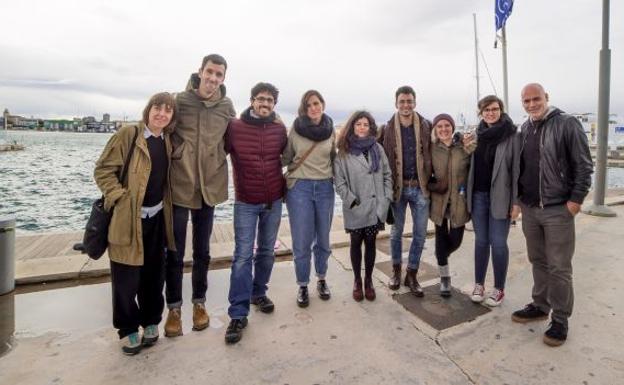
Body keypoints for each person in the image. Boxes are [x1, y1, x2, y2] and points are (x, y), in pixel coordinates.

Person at [94, 92, 177, 355]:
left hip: (157, 220)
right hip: (128, 220)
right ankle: (128, 329)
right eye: (157, 108)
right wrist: (120, 198)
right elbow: (103, 170)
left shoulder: (167, 141)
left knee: (154, 277)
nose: (161, 114)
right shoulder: (129, 135)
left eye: (168, 110)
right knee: (125, 280)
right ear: (148, 109)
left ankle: (151, 321)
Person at [511, 83, 593, 347]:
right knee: (538, 260)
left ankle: (560, 319)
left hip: (558, 208)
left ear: (546, 98)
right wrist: (519, 202)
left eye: (536, 99)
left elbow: (584, 165)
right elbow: (520, 169)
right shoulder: (524, 129)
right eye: (527, 101)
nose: (532, 104)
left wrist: (575, 201)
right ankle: (540, 304)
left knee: (559, 267)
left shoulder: (567, 124)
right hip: (530, 209)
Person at [165, 54, 236, 337]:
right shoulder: (179, 101)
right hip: (181, 183)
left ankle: (199, 303)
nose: (213, 78)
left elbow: (235, 139)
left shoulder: (226, 106)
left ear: (223, 78)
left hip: (210, 184)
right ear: (200, 71)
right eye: (210, 72)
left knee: (203, 251)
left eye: (219, 74)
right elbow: (162, 131)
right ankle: (173, 308)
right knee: (175, 250)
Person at [224, 82, 287, 344]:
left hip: (274, 200)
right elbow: (215, 152)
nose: (265, 104)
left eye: (270, 100)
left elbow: (289, 156)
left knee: (266, 252)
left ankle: (258, 292)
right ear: (251, 101)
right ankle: (238, 314)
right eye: (261, 99)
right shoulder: (235, 127)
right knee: (241, 257)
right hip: (246, 202)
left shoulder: (279, 129)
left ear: (274, 104)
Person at [283, 90, 336, 308]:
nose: (313, 108)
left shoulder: (331, 130)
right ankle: (303, 284)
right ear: (304, 109)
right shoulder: (296, 129)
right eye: (308, 105)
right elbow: (285, 158)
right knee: (302, 240)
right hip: (300, 188)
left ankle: (321, 279)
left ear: (322, 104)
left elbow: (335, 159)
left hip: (325, 187)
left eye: (316, 103)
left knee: (323, 238)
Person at [334, 111, 393, 302]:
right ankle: (357, 281)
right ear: (352, 126)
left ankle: (368, 280)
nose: (362, 127)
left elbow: (386, 174)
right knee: (355, 243)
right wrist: (350, 199)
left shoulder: (377, 148)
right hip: (356, 207)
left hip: (376, 206)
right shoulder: (343, 151)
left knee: (370, 244)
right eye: (358, 124)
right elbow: (339, 181)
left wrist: (386, 197)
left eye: (365, 124)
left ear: (371, 127)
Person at [379, 86, 432, 296]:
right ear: (396, 104)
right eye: (402, 101)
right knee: (396, 233)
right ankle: (396, 271)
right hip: (398, 188)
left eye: (409, 101)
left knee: (420, 234)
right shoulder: (387, 128)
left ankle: (412, 274)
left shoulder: (427, 126)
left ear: (415, 103)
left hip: (420, 188)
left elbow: (439, 147)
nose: (406, 105)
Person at [467, 95, 518, 307]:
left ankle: (499, 288)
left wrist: (516, 203)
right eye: (486, 109)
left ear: (501, 110)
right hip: (478, 195)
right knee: (480, 241)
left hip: (501, 197)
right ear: (481, 112)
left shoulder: (512, 135)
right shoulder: (476, 135)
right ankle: (479, 284)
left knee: (498, 243)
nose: (490, 113)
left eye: (494, 109)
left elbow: (516, 171)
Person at [428, 114, 476, 297]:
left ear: (452, 127)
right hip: (439, 200)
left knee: (456, 240)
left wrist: (469, 143)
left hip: (459, 201)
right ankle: (445, 277)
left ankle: (441, 256)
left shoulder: (463, 147)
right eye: (439, 126)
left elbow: (476, 159)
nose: (443, 129)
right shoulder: (432, 148)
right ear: (435, 129)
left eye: (447, 125)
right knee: (440, 237)